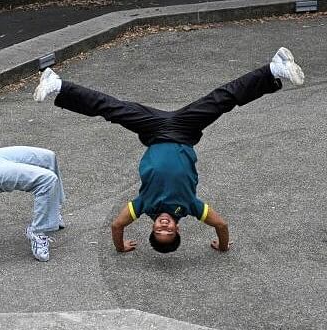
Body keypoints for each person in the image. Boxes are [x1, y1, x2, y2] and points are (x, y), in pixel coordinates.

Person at [33, 47, 304, 253]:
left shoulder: (143, 206)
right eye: (169, 231)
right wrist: (222, 246)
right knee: (222, 99)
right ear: (177, 228)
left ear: (151, 227)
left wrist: (120, 246)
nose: (164, 226)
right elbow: (221, 225)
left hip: (154, 132)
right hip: (183, 131)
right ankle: (273, 70)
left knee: (111, 109)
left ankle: (57, 84)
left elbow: (117, 225)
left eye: (159, 231)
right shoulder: (190, 207)